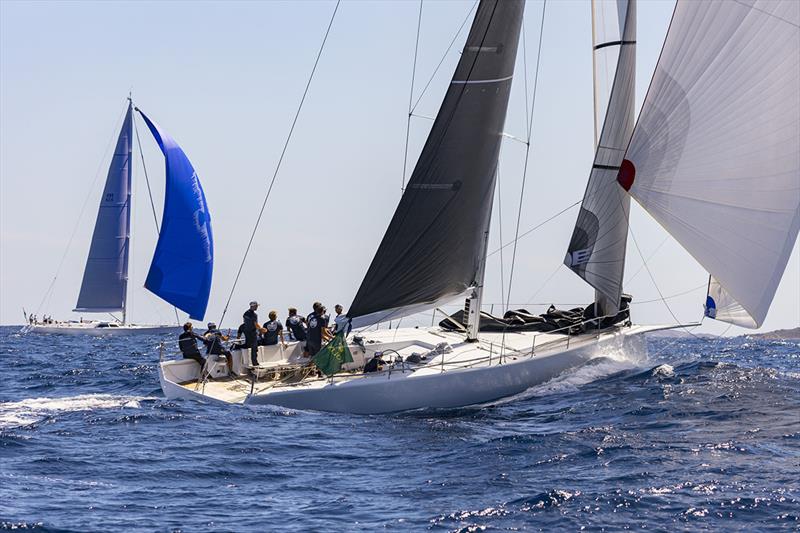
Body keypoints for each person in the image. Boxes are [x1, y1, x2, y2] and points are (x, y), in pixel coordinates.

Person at [242, 301, 266, 367]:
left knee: (249, 346)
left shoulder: (245, 313)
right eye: (256, 306)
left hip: (247, 332)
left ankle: (249, 362)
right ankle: (255, 363)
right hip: (252, 333)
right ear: (253, 306)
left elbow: (245, 322)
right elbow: (255, 324)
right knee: (254, 348)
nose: (257, 307)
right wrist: (261, 329)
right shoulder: (254, 315)